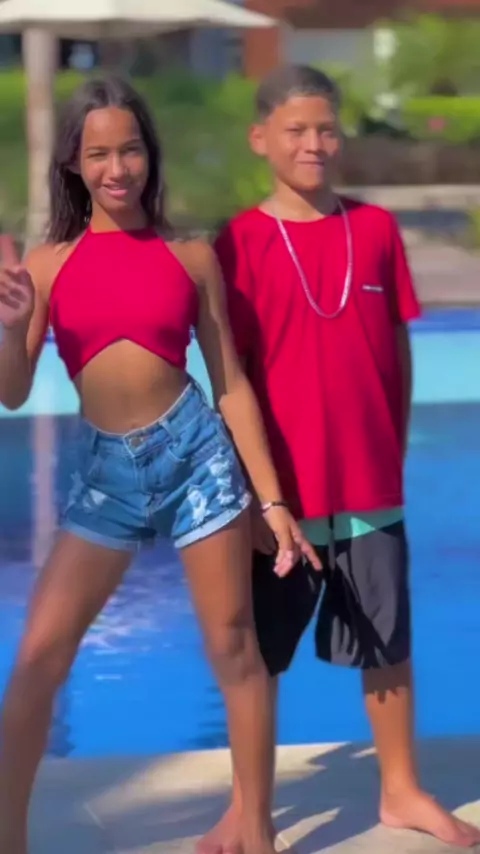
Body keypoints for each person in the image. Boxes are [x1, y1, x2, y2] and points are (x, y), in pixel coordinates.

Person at [0, 75, 321, 854]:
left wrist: (273, 503)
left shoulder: (190, 255)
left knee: (235, 646)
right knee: (39, 657)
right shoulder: (48, 264)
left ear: (150, 155)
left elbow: (231, 384)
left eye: (132, 150)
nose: (118, 169)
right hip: (105, 476)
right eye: (99, 154)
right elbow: (12, 393)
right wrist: (9, 327)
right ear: (73, 163)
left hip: (197, 459)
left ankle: (256, 830)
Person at [200, 64, 480, 853]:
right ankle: (246, 807)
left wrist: (392, 446)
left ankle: (401, 789)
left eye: (326, 129)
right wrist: (253, 494)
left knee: (388, 642)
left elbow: (397, 347)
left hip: (368, 481)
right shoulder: (239, 242)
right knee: (260, 654)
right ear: (261, 138)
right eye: (296, 130)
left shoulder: (377, 231)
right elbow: (229, 377)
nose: (314, 143)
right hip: (281, 496)